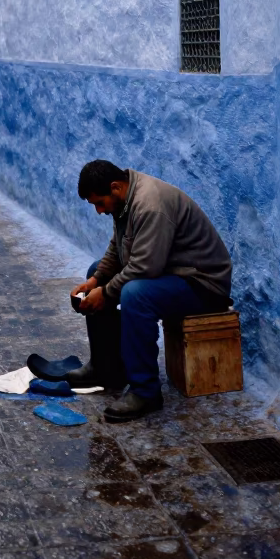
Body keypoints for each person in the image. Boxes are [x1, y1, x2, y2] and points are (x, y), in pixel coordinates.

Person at [69, 160, 233, 422]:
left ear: (114, 187)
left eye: (99, 203)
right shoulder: (124, 199)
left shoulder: (150, 205)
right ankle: (105, 369)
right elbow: (118, 247)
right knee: (95, 271)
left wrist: (107, 293)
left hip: (203, 285)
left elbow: (145, 268)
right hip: (172, 274)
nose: (99, 211)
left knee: (135, 294)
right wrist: (96, 281)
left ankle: (145, 392)